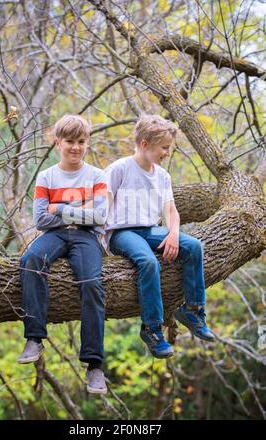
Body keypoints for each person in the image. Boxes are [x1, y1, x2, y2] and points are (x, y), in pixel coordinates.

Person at [104, 113, 215, 359]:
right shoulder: (119, 169)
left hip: (150, 229)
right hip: (122, 232)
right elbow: (102, 208)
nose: (167, 152)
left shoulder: (162, 176)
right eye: (164, 147)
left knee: (194, 246)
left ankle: (193, 310)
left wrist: (174, 233)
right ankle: (152, 329)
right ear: (145, 144)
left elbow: (171, 211)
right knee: (148, 262)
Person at [18, 114, 108, 394]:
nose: (76, 147)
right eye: (70, 141)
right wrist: (82, 210)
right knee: (30, 261)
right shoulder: (47, 176)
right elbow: (41, 221)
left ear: (87, 143)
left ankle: (94, 365)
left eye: (81, 142)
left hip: (86, 238)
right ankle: (34, 337)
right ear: (58, 142)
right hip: (54, 236)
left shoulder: (96, 175)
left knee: (91, 283)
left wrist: (61, 209)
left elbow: (100, 216)